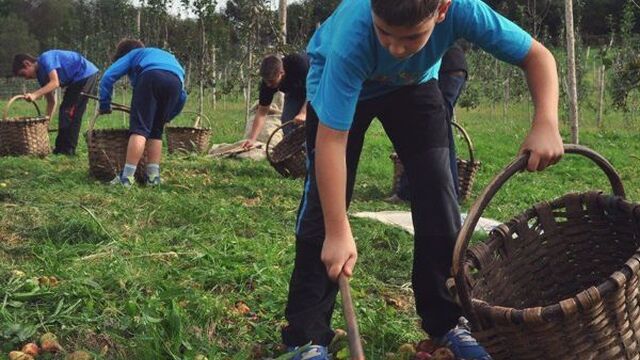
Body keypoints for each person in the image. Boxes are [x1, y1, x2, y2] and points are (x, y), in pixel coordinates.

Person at [282, 0, 564, 359]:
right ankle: (306, 337)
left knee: (439, 194)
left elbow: (539, 57)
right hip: (339, 80)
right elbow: (332, 141)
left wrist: (546, 122)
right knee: (323, 210)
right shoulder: (352, 39)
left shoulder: (465, 9)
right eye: (384, 32)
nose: (396, 48)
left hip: (414, 85)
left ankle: (446, 321)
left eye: (412, 37)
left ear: (442, 9)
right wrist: (338, 231)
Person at [98, 39, 187, 187]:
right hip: (175, 82)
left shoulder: (133, 53)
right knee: (156, 131)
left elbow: (108, 77)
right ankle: (153, 177)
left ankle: (126, 178)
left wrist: (105, 104)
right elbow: (183, 96)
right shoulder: (166, 56)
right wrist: (168, 116)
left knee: (139, 129)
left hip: (150, 77)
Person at [391, 43, 469, 202]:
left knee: (436, 125)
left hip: (449, 69)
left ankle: (448, 192)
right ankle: (412, 190)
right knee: (428, 127)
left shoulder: (422, 24)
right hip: (451, 69)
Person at [12, 50, 99, 155]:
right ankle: (61, 149)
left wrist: (35, 95)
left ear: (27, 63)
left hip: (85, 73)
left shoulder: (45, 59)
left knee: (70, 112)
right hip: (77, 80)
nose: (25, 78)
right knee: (65, 111)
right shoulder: (41, 76)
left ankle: (67, 150)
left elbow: (55, 82)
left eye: (23, 74)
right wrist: (45, 126)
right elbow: (51, 102)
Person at [240, 53, 309, 150]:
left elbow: (315, 89)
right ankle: (296, 155)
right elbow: (262, 112)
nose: (268, 85)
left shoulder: (299, 64)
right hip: (294, 92)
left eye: (272, 82)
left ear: (282, 72)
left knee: (311, 123)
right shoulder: (267, 83)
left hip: (319, 88)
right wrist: (252, 139)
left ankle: (312, 153)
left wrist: (303, 113)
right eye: (266, 81)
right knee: (288, 121)